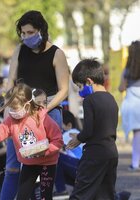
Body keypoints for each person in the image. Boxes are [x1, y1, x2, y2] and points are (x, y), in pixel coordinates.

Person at [1, 10, 69, 199]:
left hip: (49, 114)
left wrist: (43, 110)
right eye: (23, 33)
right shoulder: (19, 50)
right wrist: (7, 112)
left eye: (30, 32)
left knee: (43, 167)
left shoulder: (57, 54)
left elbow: (64, 90)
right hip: (19, 113)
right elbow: (10, 82)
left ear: (41, 30)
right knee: (12, 167)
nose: (25, 37)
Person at [0, 82, 63, 200]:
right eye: (9, 107)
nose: (11, 111)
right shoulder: (10, 121)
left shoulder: (43, 118)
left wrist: (45, 151)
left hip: (47, 164)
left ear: (27, 106)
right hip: (29, 164)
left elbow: (58, 141)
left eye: (14, 108)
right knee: (22, 197)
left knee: (45, 197)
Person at [66, 58, 118, 199]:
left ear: (89, 81)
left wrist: (78, 138)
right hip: (111, 152)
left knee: (81, 192)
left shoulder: (89, 100)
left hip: (94, 154)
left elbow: (89, 130)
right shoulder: (111, 98)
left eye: (80, 87)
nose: (80, 92)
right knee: (106, 194)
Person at [118, 40, 140, 171]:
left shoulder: (127, 70)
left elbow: (121, 88)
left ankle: (135, 163)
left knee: (137, 134)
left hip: (132, 105)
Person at [54, 110, 83, 196]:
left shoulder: (69, 134)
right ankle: (78, 188)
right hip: (82, 168)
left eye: (60, 124)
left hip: (79, 167)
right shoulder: (77, 133)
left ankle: (61, 190)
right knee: (59, 164)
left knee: (55, 157)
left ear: (69, 125)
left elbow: (57, 148)